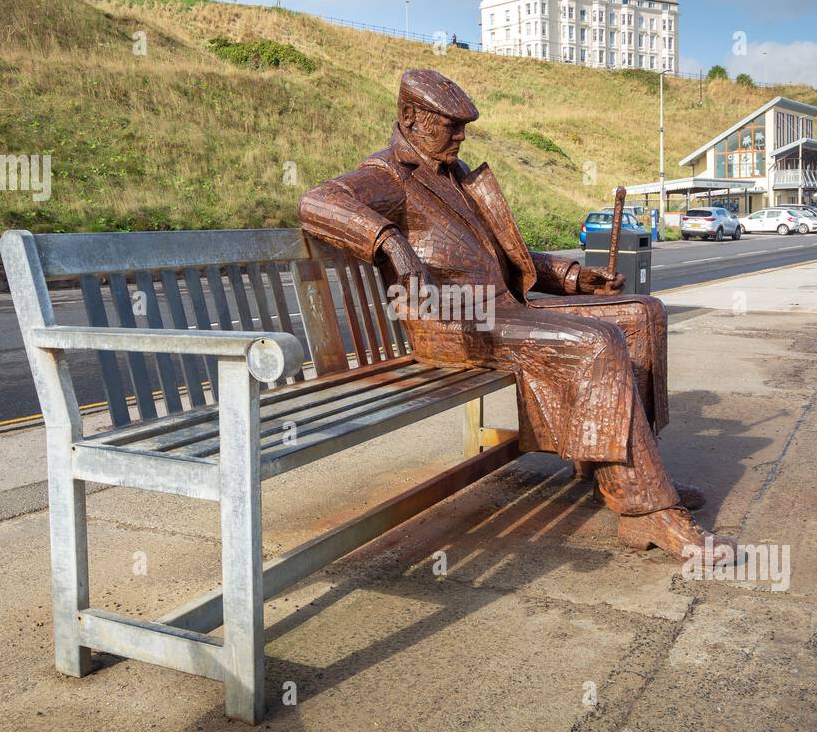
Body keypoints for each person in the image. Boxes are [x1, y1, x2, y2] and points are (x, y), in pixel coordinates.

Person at [299, 70, 736, 562]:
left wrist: (573, 277)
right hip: (451, 321)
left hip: (500, 310)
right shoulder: (388, 176)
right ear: (410, 119)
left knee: (641, 313)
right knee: (597, 341)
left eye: (464, 126)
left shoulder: (458, 178)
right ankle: (647, 509)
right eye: (451, 125)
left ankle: (630, 475)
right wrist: (391, 243)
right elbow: (317, 201)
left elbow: (509, 256)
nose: (462, 135)